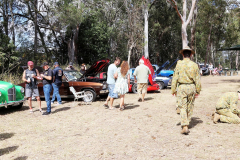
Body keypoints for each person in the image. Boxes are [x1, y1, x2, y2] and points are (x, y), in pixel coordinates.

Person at [171, 46, 201, 135]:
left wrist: (173, 89)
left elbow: (175, 78)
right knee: (190, 106)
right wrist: (198, 90)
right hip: (192, 87)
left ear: (183, 55)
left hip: (182, 87)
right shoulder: (194, 65)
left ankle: (185, 126)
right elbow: (197, 79)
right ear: (191, 55)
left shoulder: (179, 64)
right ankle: (187, 122)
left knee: (182, 107)